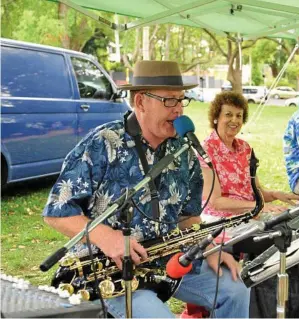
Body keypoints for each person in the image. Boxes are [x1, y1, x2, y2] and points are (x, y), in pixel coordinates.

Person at [42, 60, 250, 318]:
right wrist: (107, 237)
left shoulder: (183, 150)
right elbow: (57, 212)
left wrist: (207, 248)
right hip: (111, 272)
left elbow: (188, 217)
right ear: (141, 102)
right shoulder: (101, 143)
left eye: (181, 100)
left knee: (236, 291)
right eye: (169, 101)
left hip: (169, 262)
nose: (178, 111)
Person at [199, 91, 299, 223]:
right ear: (216, 117)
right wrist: (259, 207)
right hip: (222, 221)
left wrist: (275, 195)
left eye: (239, 116)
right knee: (284, 227)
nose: (235, 120)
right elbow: (215, 202)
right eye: (228, 115)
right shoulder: (206, 150)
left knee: (296, 219)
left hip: (252, 214)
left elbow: (255, 191)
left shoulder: (245, 148)